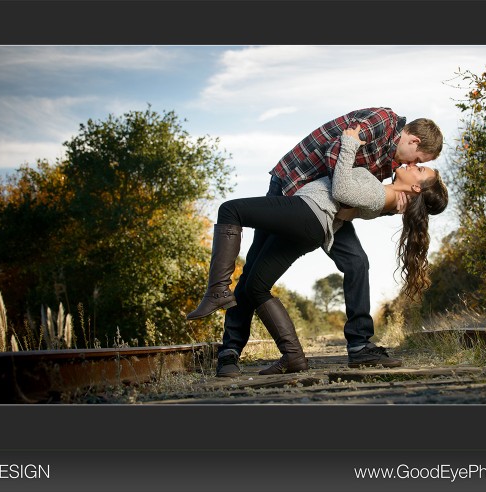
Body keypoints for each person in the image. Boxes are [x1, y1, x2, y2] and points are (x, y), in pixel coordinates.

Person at [188, 124, 446, 376]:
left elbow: (344, 190)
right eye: (419, 161)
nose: (412, 165)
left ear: (415, 188)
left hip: (307, 212)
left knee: (230, 210)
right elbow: (351, 203)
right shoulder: (385, 164)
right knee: (254, 284)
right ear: (412, 141)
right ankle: (289, 356)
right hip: (306, 213)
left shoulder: (383, 190)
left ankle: (218, 290)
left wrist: (349, 144)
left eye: (419, 166)